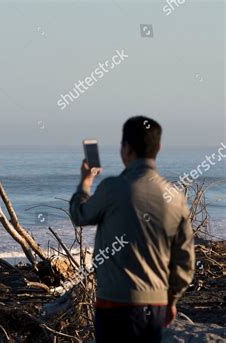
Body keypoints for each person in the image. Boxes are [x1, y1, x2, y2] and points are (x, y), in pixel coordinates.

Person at [69, 116, 195, 342]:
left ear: (125, 148)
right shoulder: (175, 197)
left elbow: (80, 215)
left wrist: (85, 183)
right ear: (158, 147)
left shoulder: (112, 189)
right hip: (156, 305)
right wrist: (171, 299)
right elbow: (185, 260)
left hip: (115, 304)